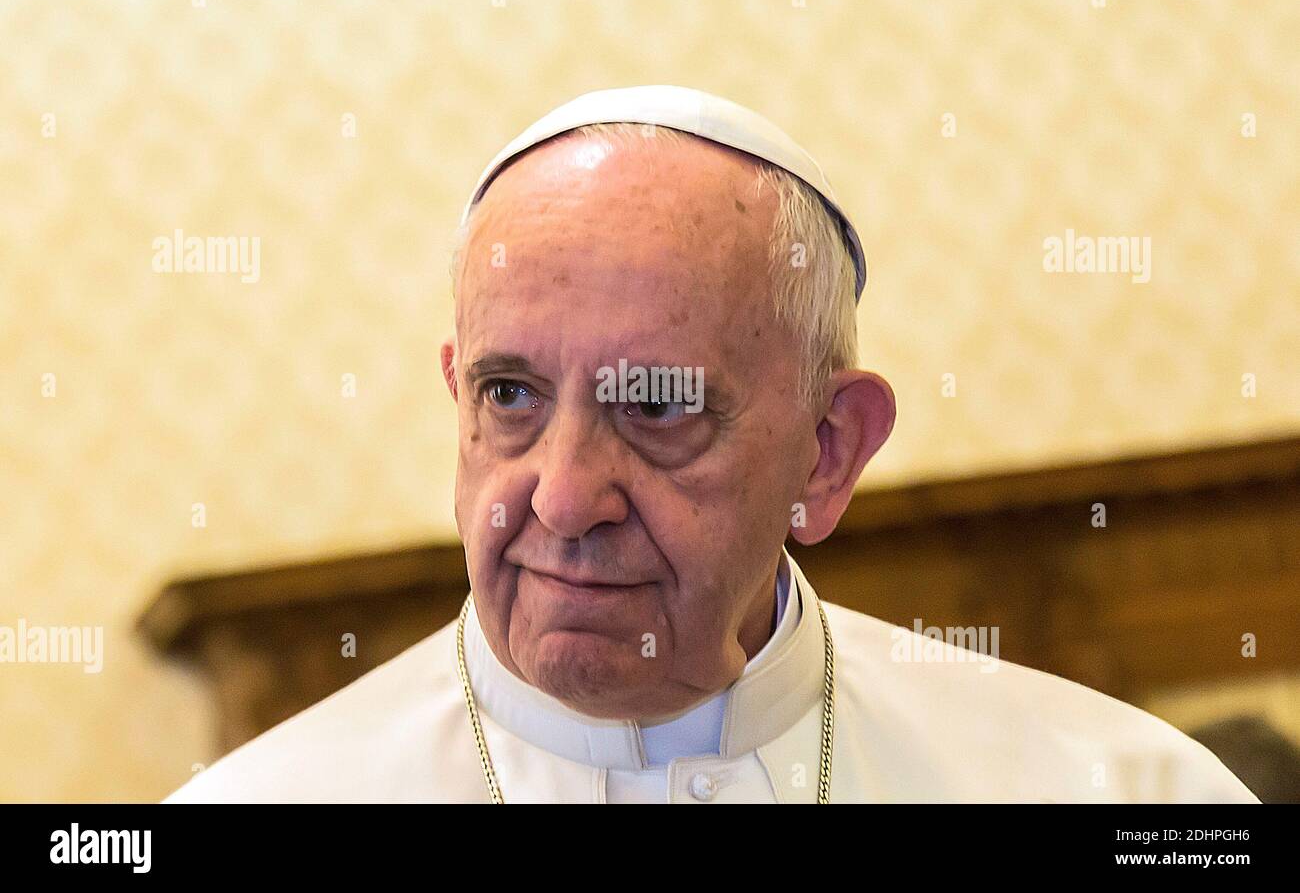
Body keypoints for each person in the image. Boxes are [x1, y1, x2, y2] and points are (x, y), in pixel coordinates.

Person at [165, 86, 1257, 803]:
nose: (561, 496)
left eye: (655, 407)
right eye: (511, 393)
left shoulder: (1130, 793)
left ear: (826, 454)